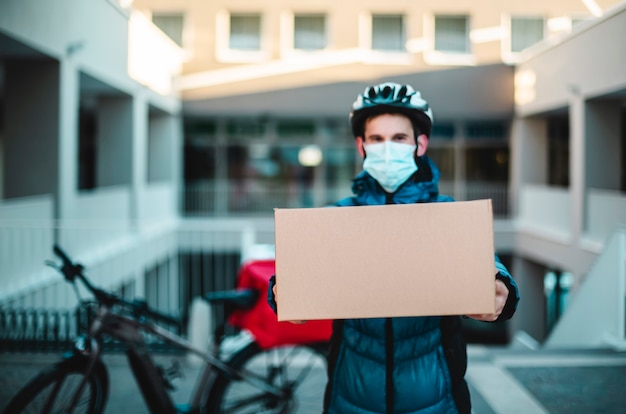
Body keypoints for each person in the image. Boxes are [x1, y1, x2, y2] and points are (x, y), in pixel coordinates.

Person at [268, 82, 520, 414]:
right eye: (376, 139)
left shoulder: (446, 215)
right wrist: (282, 291)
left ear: (420, 144)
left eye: (399, 138)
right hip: (351, 395)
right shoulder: (339, 218)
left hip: (436, 397)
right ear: (361, 146)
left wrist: (499, 287)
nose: (387, 148)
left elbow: (487, 264)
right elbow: (296, 269)